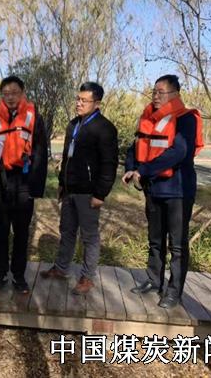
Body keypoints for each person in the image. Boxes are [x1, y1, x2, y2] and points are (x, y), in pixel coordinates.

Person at [123, 74, 203, 309]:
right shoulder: (149, 117)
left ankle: (174, 291)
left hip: (178, 191)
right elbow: (135, 146)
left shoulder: (186, 118)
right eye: (154, 92)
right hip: (153, 189)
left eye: (161, 92)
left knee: (177, 245)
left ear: (175, 94)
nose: (156, 96)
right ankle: (153, 280)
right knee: (155, 240)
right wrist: (131, 168)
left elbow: (179, 152)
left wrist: (144, 170)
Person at [40, 82, 118, 294]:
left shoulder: (104, 128)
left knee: (89, 236)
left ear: (97, 103)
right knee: (66, 231)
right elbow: (67, 158)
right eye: (78, 99)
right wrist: (62, 184)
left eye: (84, 100)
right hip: (70, 190)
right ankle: (61, 268)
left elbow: (109, 164)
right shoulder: (73, 124)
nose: (79, 103)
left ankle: (87, 277)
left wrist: (100, 193)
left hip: (89, 192)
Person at [0, 75, 48, 294]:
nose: (10, 97)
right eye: (6, 93)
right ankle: (0, 273)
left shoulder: (34, 117)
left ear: (22, 93)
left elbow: (40, 153)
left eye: (14, 93)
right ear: (1, 95)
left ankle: (19, 276)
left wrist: (35, 189)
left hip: (24, 183)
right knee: (1, 233)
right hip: (1, 183)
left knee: (21, 234)